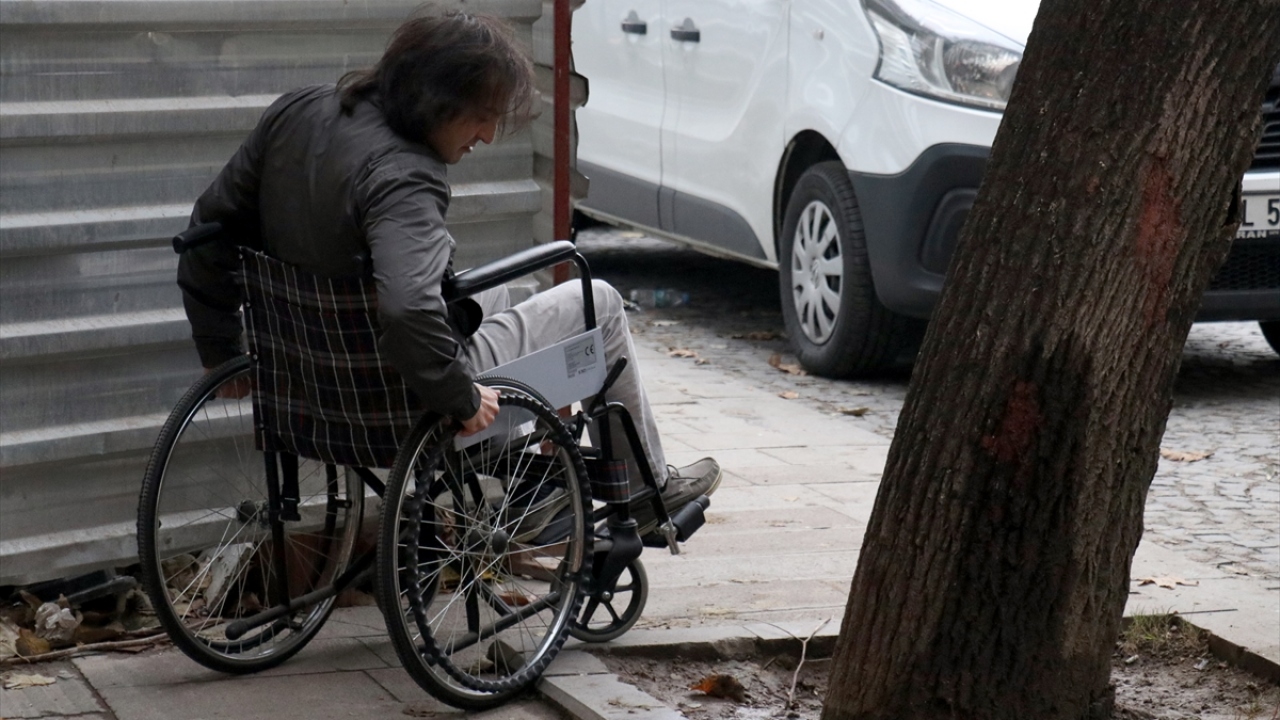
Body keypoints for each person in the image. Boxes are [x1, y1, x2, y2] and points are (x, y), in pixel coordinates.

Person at [177, 9, 720, 537]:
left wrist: (220, 347)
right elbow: (409, 308)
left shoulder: (297, 111)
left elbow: (209, 229)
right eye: (481, 115)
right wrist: (461, 396)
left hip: (305, 385)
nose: (486, 135)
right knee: (594, 301)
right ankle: (649, 493)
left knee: (505, 291)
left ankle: (524, 488)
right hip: (398, 396)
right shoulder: (403, 177)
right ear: (438, 101)